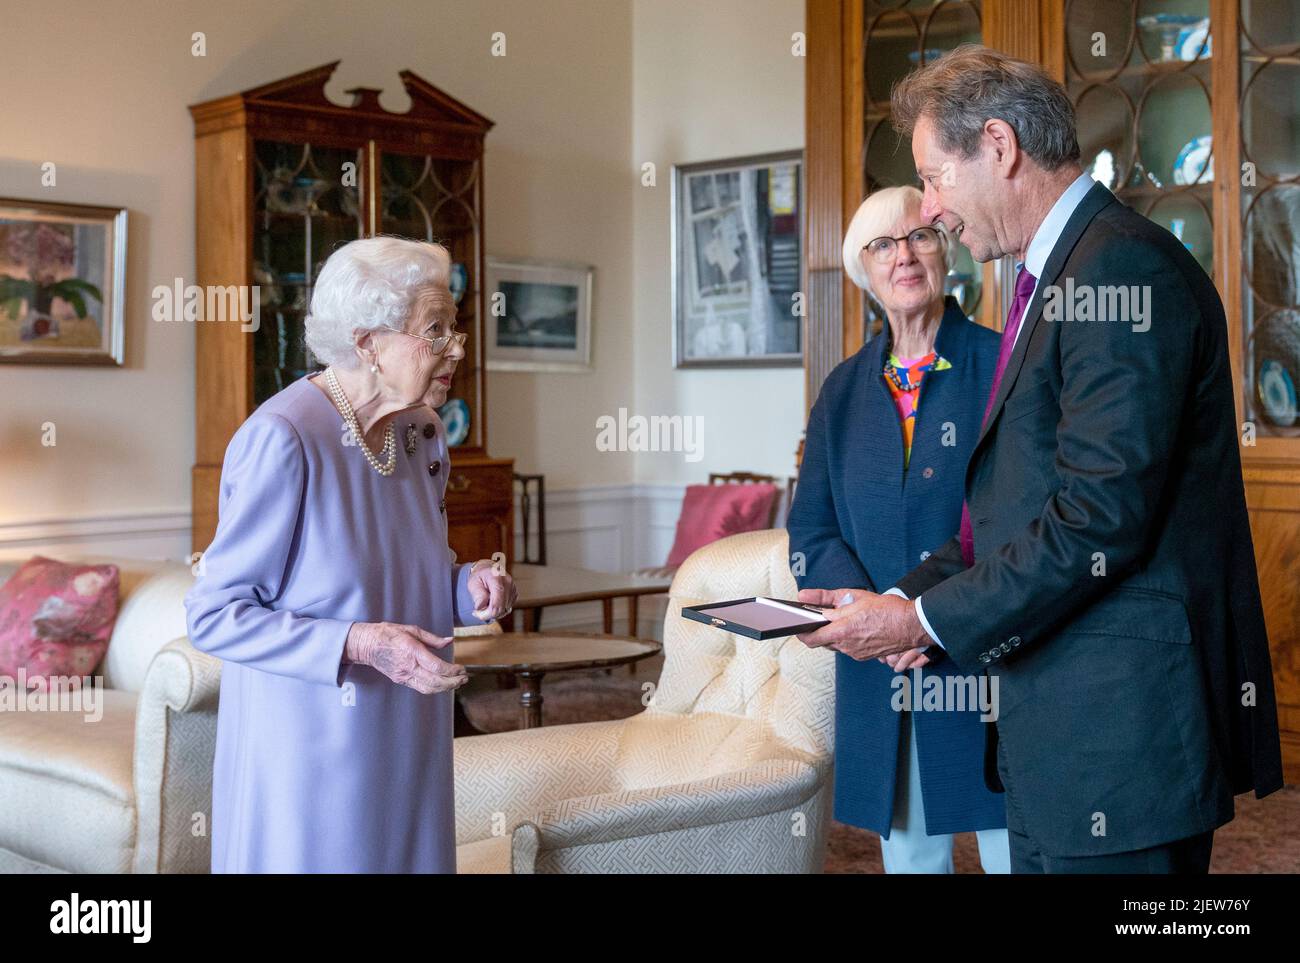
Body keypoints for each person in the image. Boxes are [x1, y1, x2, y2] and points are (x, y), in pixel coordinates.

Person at [796, 45, 1283, 873]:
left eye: (935, 177)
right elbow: (1008, 511)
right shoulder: (1052, 274)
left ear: (998, 144)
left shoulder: (1118, 267)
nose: (929, 210)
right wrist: (903, 599)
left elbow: (1098, 518)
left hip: (1121, 741)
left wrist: (922, 621)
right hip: (1056, 736)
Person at [184, 236, 516, 873]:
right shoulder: (283, 439)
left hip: (408, 726)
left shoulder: (421, 435)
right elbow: (215, 614)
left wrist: (465, 589)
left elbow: (393, 576)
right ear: (367, 342)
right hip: (311, 743)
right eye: (436, 330)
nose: (458, 348)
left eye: (456, 327)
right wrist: (362, 645)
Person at [788, 186, 1008, 873]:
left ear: (946, 249)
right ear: (863, 266)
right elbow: (812, 527)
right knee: (912, 858)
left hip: (986, 652)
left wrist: (912, 611)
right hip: (884, 666)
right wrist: (867, 616)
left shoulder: (1004, 365)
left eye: (919, 236)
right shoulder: (843, 390)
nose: (903, 255)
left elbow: (1011, 518)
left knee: (1017, 854)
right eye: (882, 244)